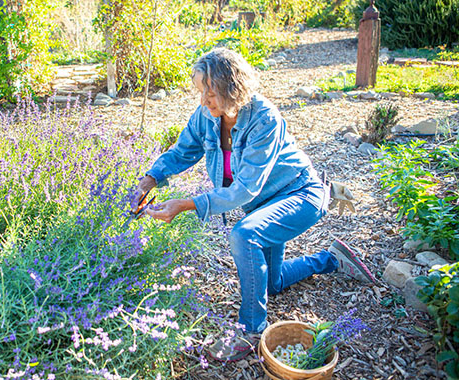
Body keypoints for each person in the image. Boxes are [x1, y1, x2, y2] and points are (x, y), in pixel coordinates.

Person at [134, 48, 376, 361]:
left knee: (244, 235)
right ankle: (330, 259)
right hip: (263, 206)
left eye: (210, 92)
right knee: (271, 284)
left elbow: (245, 189)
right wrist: (148, 180)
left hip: (299, 194)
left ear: (231, 89)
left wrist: (185, 204)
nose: (203, 100)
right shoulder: (206, 116)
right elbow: (181, 152)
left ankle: (251, 329)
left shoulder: (264, 119)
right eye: (200, 92)